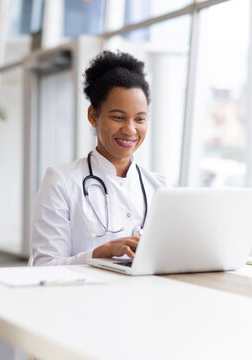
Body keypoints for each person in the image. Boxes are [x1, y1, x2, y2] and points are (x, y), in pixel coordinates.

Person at [31, 50, 169, 266]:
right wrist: (100, 253)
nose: (130, 129)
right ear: (93, 116)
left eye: (139, 119)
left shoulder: (161, 187)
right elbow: (44, 266)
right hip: (85, 296)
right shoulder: (61, 181)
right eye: (118, 117)